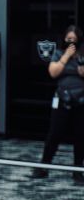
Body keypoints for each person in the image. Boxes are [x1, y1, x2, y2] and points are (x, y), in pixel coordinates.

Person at [34, 25, 84, 183]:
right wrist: (66, 57)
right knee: (55, 134)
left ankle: (77, 170)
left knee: (80, 136)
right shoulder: (58, 53)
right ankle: (43, 167)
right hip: (62, 99)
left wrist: (80, 65)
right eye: (69, 39)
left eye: (74, 40)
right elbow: (53, 72)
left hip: (81, 101)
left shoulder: (82, 55)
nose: (71, 43)